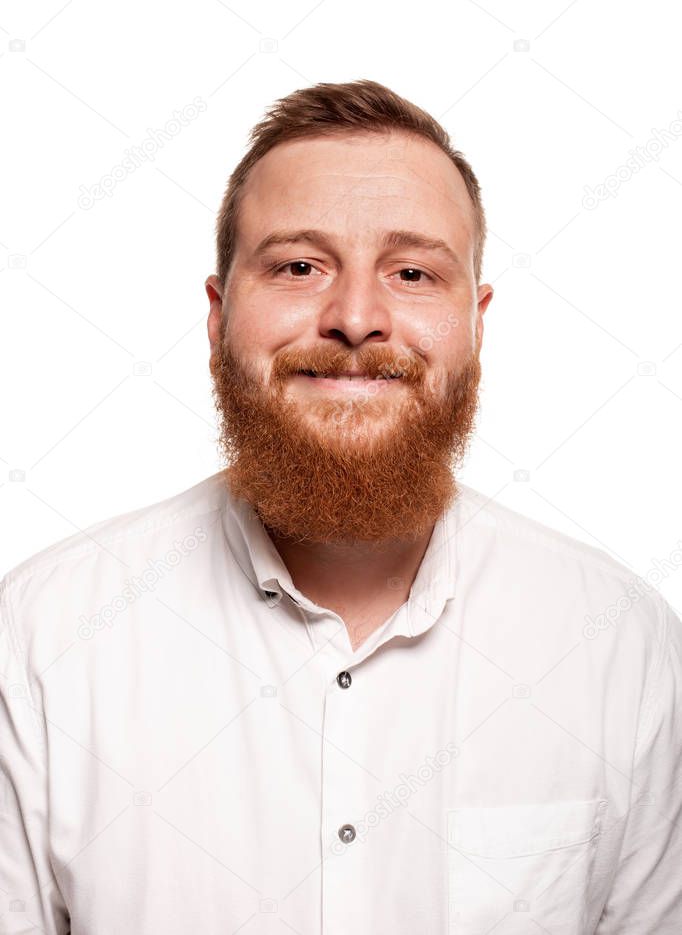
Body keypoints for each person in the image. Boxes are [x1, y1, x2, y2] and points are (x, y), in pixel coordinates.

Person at [1, 79, 680, 934]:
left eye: (411, 272)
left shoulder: (622, 644)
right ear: (217, 318)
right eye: (298, 266)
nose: (357, 317)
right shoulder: (41, 638)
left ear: (476, 322)